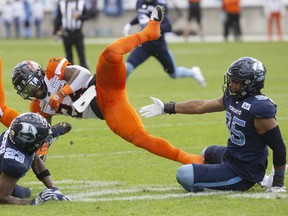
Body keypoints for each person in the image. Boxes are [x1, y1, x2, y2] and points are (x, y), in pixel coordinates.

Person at [12, 6, 204, 165]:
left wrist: (61, 93)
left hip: (103, 85)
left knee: (111, 53)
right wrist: (41, 153)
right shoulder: (37, 106)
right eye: (27, 91)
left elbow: (83, 74)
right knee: (140, 138)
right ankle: (190, 159)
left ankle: (149, 31)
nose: (32, 92)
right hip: (108, 109)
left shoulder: (53, 69)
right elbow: (43, 135)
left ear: (37, 75)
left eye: (30, 86)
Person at [139, 57, 287, 192]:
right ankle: (244, 178)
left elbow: (279, 148)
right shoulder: (233, 98)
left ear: (251, 84)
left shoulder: (259, 109)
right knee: (206, 152)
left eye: (236, 82)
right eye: (231, 79)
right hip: (232, 157)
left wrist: (278, 184)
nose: (230, 84)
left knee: (184, 174)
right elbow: (201, 106)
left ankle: (245, 182)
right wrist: (167, 107)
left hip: (243, 172)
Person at [121, 0, 206, 87]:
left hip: (159, 47)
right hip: (144, 45)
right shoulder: (140, 2)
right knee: (127, 68)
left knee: (174, 74)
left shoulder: (160, 5)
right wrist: (129, 24)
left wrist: (152, 27)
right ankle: (120, 94)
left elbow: (167, 26)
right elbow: (142, 15)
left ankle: (193, 72)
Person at [0, 112, 70, 205]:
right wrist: (35, 202)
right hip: (5, 176)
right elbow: (2, 197)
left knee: (26, 192)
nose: (44, 141)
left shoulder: (15, 135)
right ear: (27, 139)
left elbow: (36, 162)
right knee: (18, 193)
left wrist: (54, 188)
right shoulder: (14, 164)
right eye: (42, 139)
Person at [53, 0, 90, 69]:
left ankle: (85, 74)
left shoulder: (80, 3)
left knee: (81, 55)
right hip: (66, 33)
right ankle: (71, 75)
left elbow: (87, 16)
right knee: (69, 56)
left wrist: (79, 16)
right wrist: (56, 32)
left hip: (77, 33)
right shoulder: (62, 3)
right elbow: (58, 18)